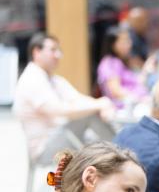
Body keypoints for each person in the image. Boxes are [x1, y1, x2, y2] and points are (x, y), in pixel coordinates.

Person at [13, 33, 116, 165]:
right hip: (44, 149)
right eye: (53, 50)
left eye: (59, 50)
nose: (58, 55)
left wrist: (102, 104)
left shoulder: (54, 79)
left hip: (62, 136)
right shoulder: (31, 79)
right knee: (89, 116)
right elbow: (58, 110)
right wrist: (99, 105)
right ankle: (122, 150)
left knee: (100, 145)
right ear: (36, 52)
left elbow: (78, 99)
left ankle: (120, 152)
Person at [97, 26, 151, 109]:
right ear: (112, 44)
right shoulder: (110, 63)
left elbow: (136, 83)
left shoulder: (124, 61)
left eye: (128, 40)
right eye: (123, 41)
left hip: (139, 104)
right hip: (127, 109)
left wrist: (146, 70)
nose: (128, 44)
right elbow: (116, 91)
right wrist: (140, 100)